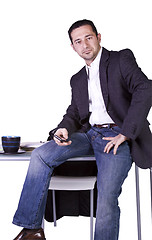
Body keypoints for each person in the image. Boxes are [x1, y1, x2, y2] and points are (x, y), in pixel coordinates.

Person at [13, 19, 152, 240]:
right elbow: (74, 113)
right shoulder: (77, 79)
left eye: (88, 37)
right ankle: (32, 230)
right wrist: (63, 129)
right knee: (41, 155)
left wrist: (125, 132)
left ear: (98, 37)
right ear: (73, 47)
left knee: (106, 196)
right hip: (89, 136)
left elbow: (145, 88)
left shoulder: (120, 59)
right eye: (78, 41)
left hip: (116, 137)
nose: (85, 45)